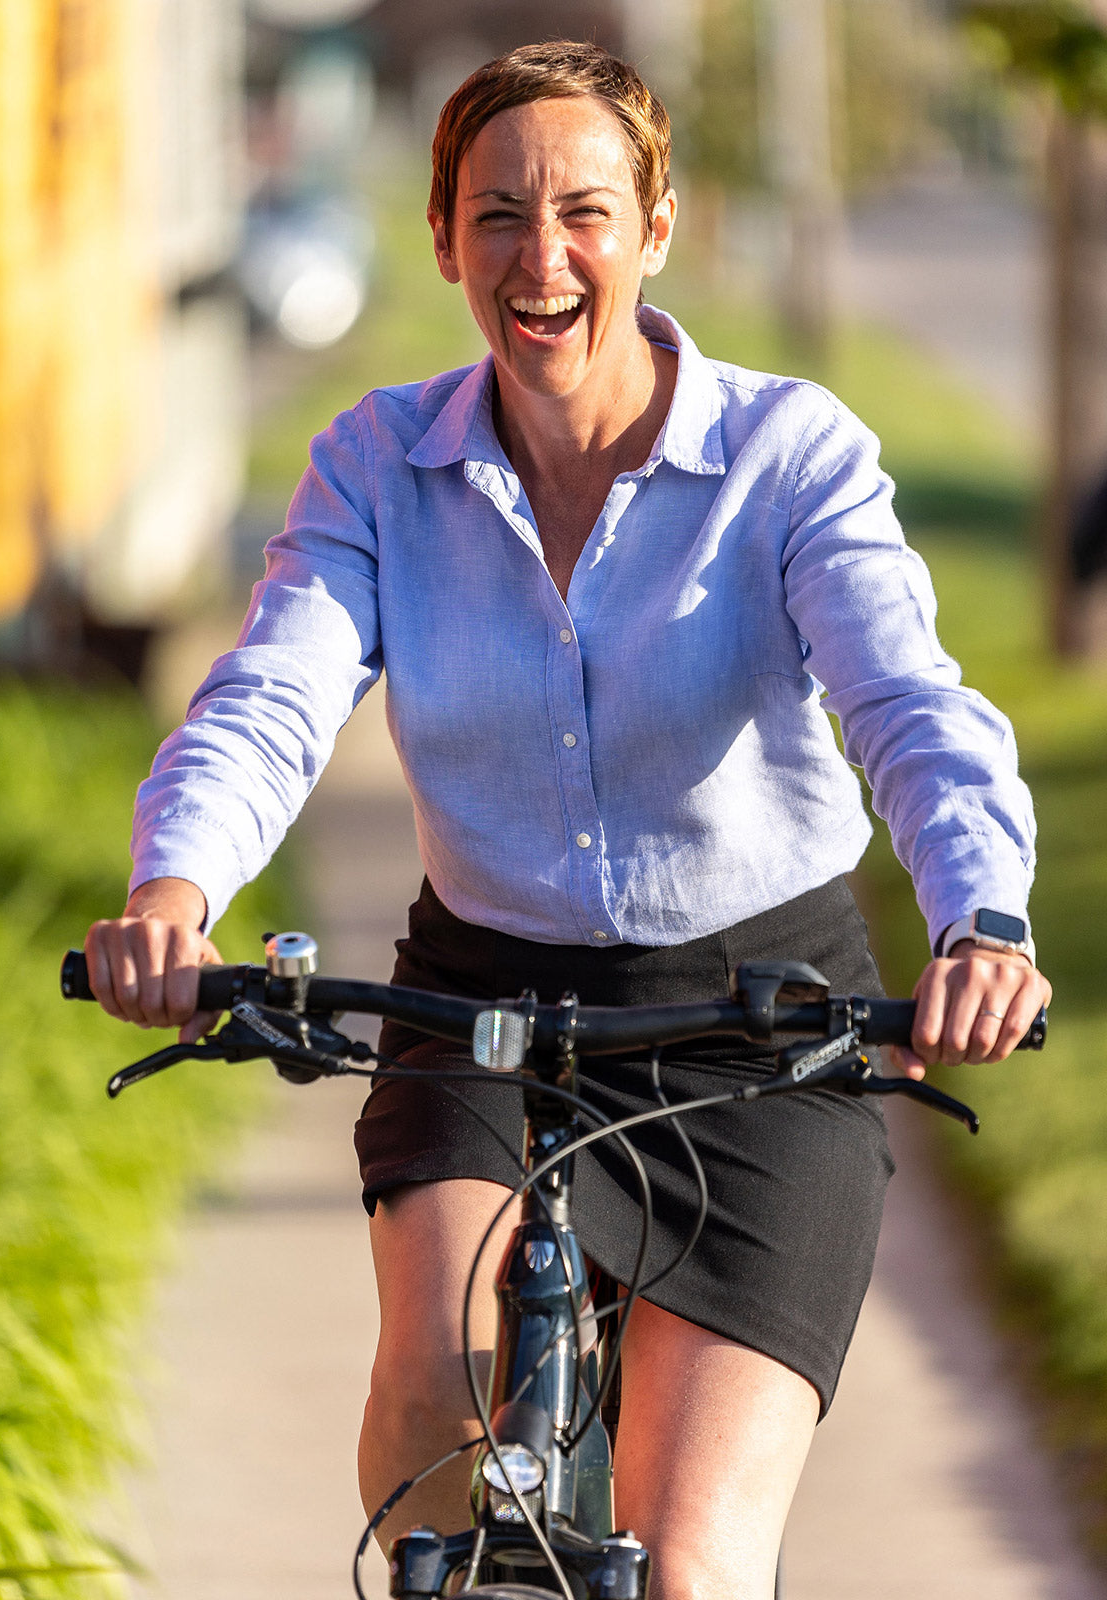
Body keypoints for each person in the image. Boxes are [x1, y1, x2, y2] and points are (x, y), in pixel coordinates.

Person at [85, 41, 1052, 1600]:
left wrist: (981, 920)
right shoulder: (380, 464)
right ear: (444, 236)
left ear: (658, 227)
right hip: (478, 999)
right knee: (435, 1405)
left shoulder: (785, 457)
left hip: (759, 1030)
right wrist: (174, 886)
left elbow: (910, 710)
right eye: (500, 215)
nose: (544, 260)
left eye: (588, 212)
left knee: (690, 1569)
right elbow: (274, 697)